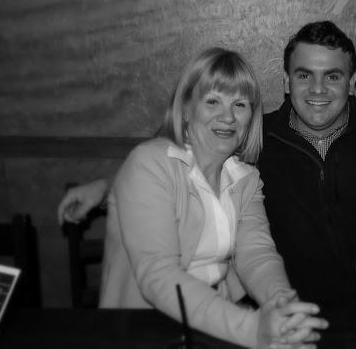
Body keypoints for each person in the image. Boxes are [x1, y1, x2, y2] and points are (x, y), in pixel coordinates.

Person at [59, 22, 356, 343]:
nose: (318, 89)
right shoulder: (259, 138)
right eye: (304, 75)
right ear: (287, 82)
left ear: (352, 82)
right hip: (279, 313)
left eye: (333, 76)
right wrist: (111, 189)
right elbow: (176, 160)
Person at [96, 48, 327, 349]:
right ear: (187, 107)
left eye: (240, 104)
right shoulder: (150, 163)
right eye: (213, 101)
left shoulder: (246, 178)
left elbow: (256, 252)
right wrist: (252, 329)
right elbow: (159, 276)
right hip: (144, 330)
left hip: (214, 327)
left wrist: (282, 307)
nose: (227, 117)